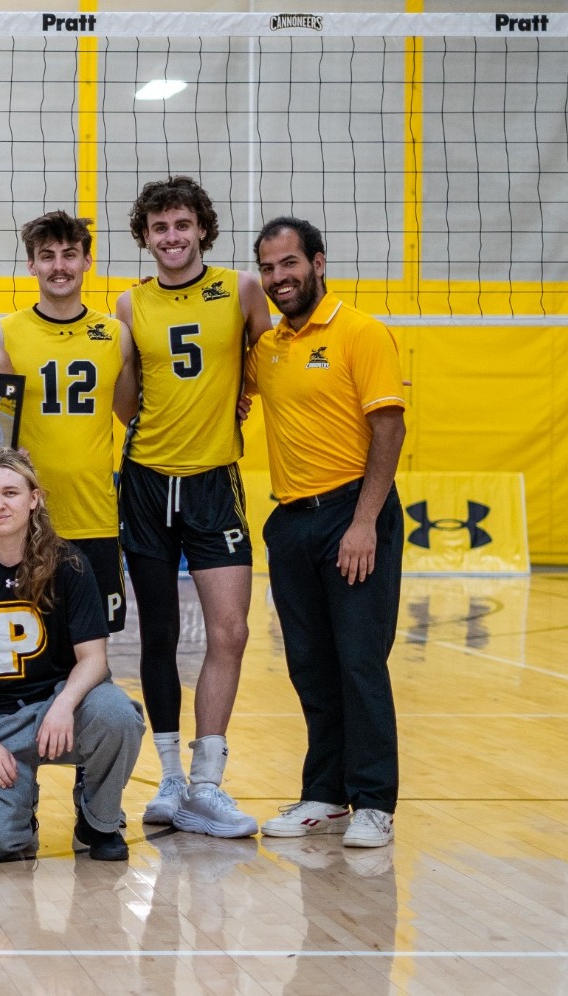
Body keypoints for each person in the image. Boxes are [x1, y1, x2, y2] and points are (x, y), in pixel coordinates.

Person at [115, 176, 273, 837]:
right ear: (145, 237)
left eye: (182, 224)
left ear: (202, 229)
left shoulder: (241, 289)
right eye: (159, 227)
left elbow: (268, 361)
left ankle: (208, 784)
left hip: (214, 481)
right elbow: (126, 401)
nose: (172, 236)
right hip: (147, 481)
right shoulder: (129, 304)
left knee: (229, 633)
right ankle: (171, 781)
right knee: (156, 635)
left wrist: (238, 396)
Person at [247, 216, 405, 848]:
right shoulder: (268, 348)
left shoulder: (360, 332)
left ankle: (374, 802)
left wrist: (364, 522)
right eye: (267, 268)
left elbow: (389, 428)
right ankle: (325, 795)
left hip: (353, 512)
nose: (278, 277)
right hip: (292, 521)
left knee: (360, 662)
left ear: (317, 261)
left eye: (289, 263)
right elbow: (230, 390)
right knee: (310, 665)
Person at [0, 451, 144, 861]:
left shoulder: (69, 564)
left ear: (34, 499)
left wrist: (64, 704)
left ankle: (98, 821)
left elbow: (94, 659)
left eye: (10, 492)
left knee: (117, 715)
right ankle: (19, 806)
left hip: (59, 710)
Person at [0, 211, 136, 635]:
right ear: (31, 265)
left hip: (96, 518)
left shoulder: (117, 335)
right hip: (25, 522)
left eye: (70, 254)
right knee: (29, 647)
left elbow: (133, 414)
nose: (59, 266)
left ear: (88, 261)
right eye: (47, 256)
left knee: (96, 646)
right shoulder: (0, 335)